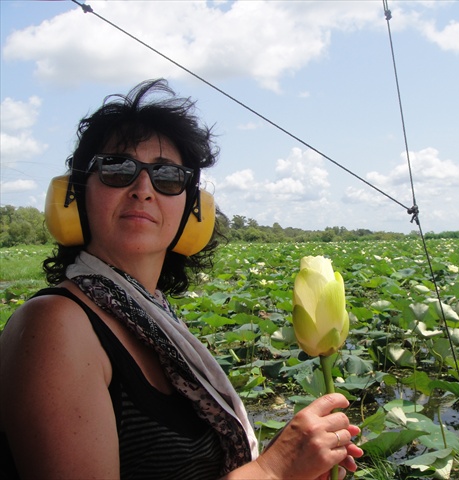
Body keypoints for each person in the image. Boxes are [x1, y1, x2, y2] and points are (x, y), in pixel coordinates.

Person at [0, 79, 363, 479]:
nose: (142, 189)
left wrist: (295, 460)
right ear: (76, 193)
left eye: (168, 176)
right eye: (117, 169)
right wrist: (273, 470)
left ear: (194, 209)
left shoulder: (151, 318)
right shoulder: (54, 325)